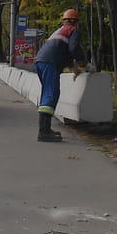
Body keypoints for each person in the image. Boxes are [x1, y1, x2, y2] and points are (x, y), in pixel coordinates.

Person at [34, 8, 86, 142]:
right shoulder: (73, 30)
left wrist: (72, 66)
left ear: (64, 21)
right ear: (76, 22)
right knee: (51, 94)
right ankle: (44, 132)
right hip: (50, 63)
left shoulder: (59, 31)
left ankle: (45, 129)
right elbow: (73, 48)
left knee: (48, 93)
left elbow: (61, 51)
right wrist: (83, 62)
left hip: (40, 61)